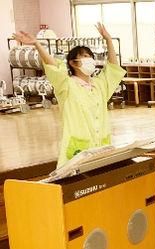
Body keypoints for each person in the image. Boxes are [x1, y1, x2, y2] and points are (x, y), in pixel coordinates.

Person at [12, 23, 126, 168]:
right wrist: (36, 44)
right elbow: (53, 65)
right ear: (73, 62)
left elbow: (113, 68)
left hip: (101, 146)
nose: (89, 59)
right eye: (85, 56)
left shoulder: (99, 85)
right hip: (78, 149)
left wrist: (109, 40)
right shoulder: (66, 86)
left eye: (90, 56)